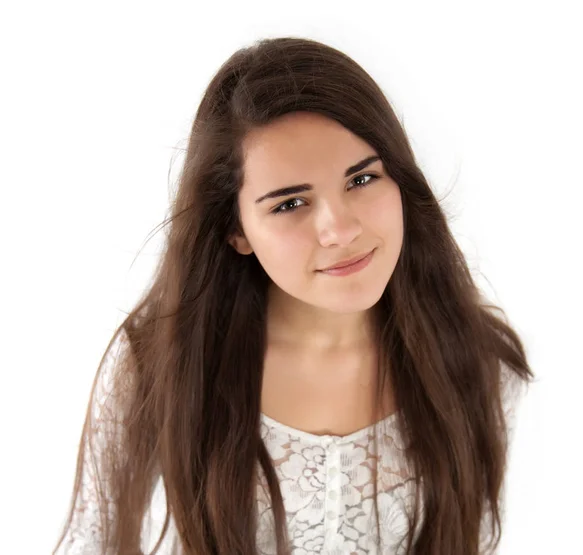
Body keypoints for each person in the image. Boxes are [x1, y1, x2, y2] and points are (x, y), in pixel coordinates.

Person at [52, 36, 534, 555]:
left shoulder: (477, 358)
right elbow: (91, 542)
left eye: (363, 178)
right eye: (289, 204)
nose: (339, 229)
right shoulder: (158, 363)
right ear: (235, 230)